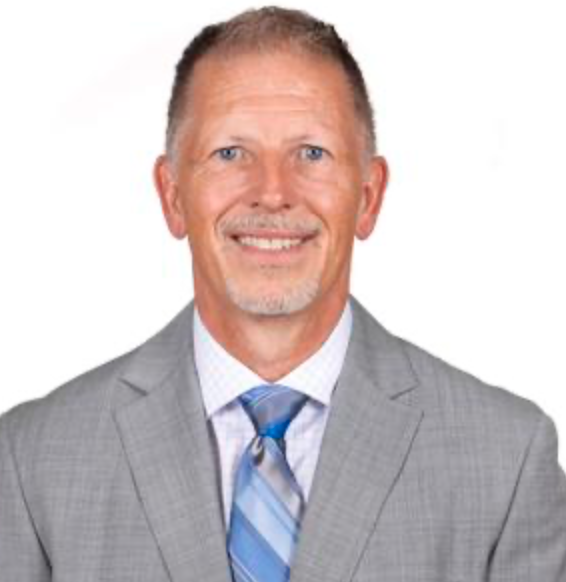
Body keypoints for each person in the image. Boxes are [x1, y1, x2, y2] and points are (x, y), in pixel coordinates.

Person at [1, 6, 565, 581]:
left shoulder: (507, 462)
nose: (272, 192)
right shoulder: (32, 462)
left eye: (312, 153)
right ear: (172, 196)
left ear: (368, 196)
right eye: (230, 153)